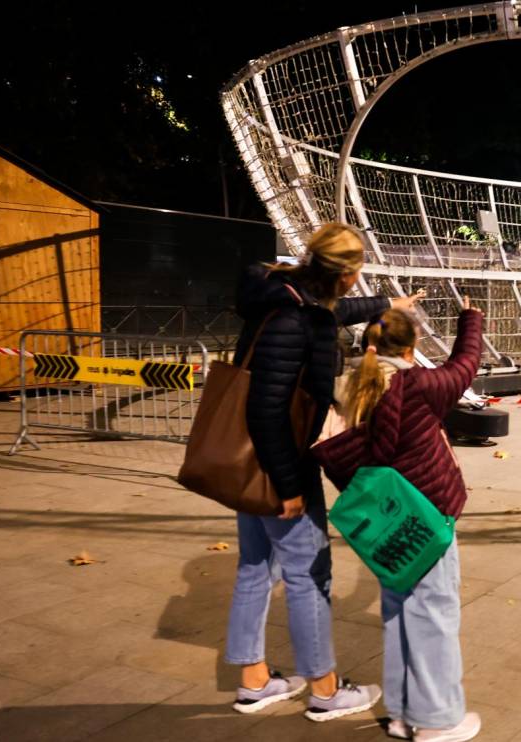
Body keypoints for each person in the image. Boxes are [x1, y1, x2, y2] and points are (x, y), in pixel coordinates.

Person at [225, 223, 424, 721]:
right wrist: (289, 486)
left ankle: (255, 682)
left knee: (255, 567)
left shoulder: (287, 295)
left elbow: (333, 307)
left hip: (249, 461)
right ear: (348, 273)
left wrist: (386, 305)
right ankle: (326, 689)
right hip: (279, 461)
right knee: (309, 573)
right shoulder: (295, 320)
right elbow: (267, 409)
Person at [326, 299, 484, 741]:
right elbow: (466, 364)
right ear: (412, 344)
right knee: (434, 611)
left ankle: (402, 713)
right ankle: (437, 719)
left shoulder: (352, 387)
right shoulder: (419, 385)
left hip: (384, 523)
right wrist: (470, 318)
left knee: (398, 610)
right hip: (426, 517)